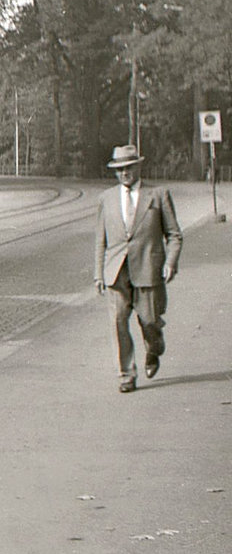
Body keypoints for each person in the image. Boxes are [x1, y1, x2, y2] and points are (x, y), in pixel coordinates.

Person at [94, 145, 183, 393]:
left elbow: (174, 235)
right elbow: (100, 240)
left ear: (138, 167)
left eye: (129, 168)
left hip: (148, 269)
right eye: (119, 169)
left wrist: (170, 262)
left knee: (150, 321)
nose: (124, 173)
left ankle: (154, 348)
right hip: (116, 272)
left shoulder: (158, 195)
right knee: (118, 322)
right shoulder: (106, 199)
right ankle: (126, 374)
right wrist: (98, 273)